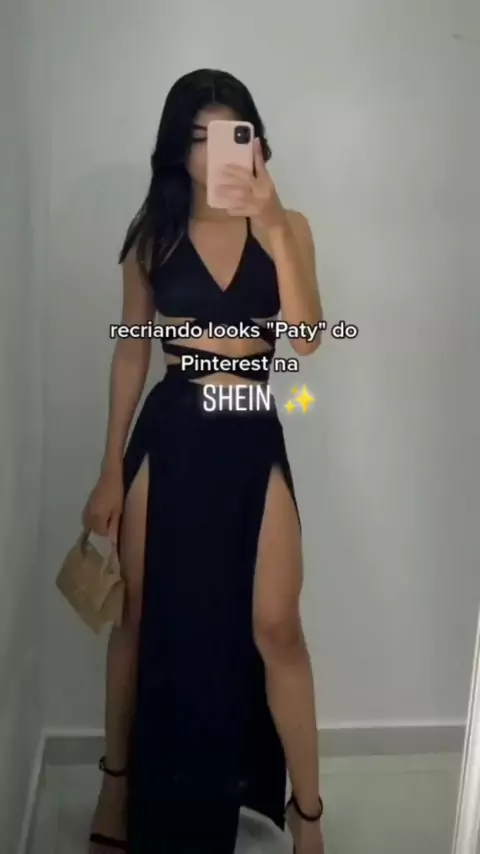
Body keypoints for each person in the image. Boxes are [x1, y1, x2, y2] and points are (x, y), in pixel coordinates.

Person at [83, 67, 325, 854]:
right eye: (196, 137)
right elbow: (131, 352)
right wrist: (110, 468)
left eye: (230, 134)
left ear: (255, 142)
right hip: (172, 432)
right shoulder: (152, 234)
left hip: (251, 431)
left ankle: (307, 815)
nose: (212, 152)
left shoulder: (289, 225)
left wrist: (273, 225)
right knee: (139, 615)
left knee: (276, 626)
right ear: (175, 149)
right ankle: (118, 785)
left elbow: (309, 338)